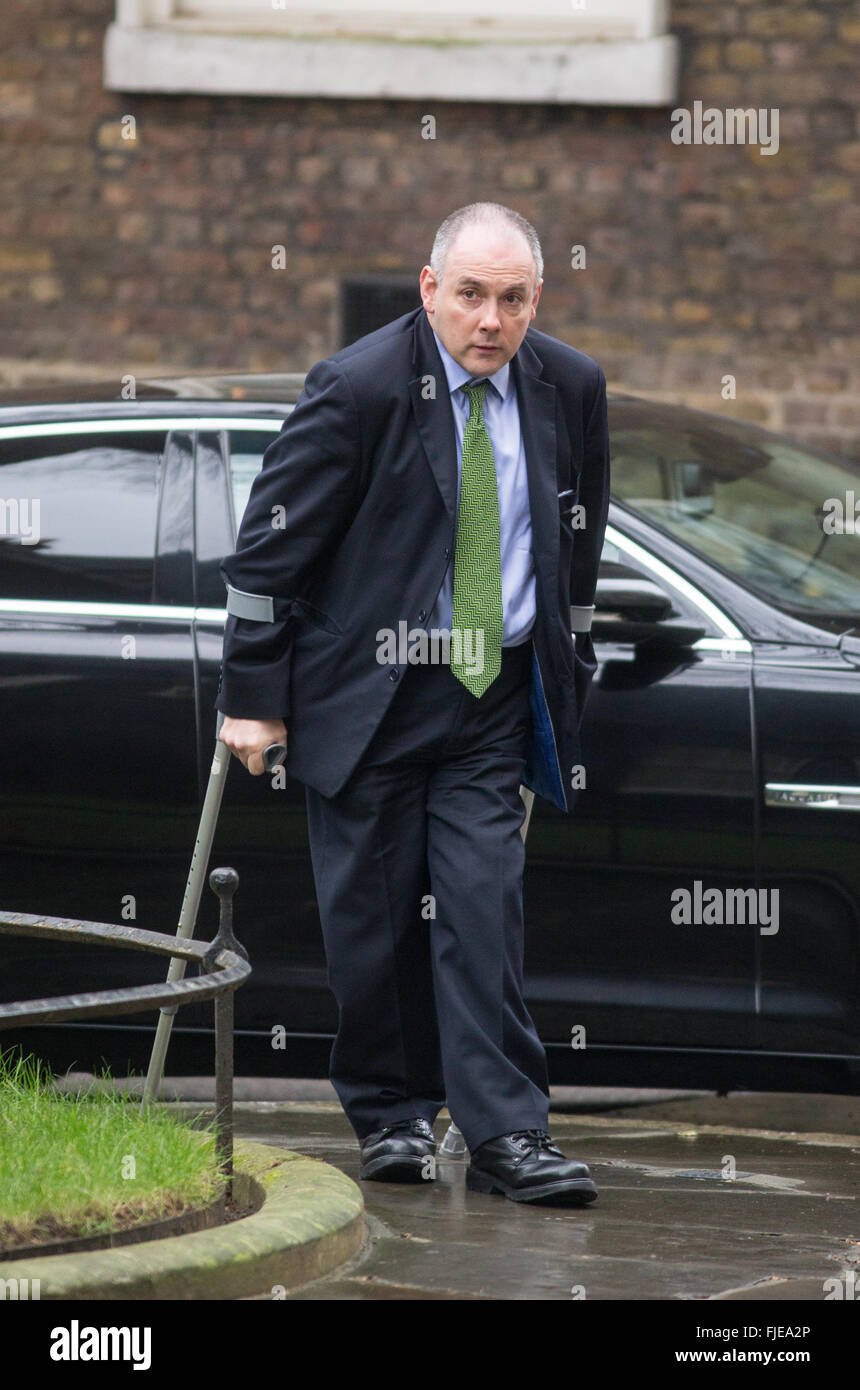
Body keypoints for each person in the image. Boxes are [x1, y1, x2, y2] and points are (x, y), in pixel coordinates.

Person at [216, 202, 610, 1206]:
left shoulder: (569, 386)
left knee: (480, 910)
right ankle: (390, 1117)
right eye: (469, 294)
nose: (489, 319)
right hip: (371, 695)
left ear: (536, 300)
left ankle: (507, 1135)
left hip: (490, 691)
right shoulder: (357, 388)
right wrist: (253, 700)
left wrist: (572, 655)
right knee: (376, 924)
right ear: (428, 289)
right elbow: (266, 559)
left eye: (511, 299)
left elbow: (576, 543)